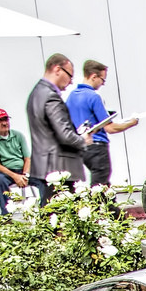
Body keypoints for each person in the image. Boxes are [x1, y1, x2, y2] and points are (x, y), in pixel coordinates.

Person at [25, 53, 89, 205]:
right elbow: (64, 134)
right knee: (60, 213)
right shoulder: (50, 96)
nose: (71, 81)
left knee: (52, 211)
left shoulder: (36, 93)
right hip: (59, 167)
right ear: (57, 69)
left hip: (45, 165)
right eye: (70, 75)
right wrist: (83, 140)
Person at [64, 59, 139, 188]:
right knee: (100, 187)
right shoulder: (94, 97)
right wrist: (132, 122)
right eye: (102, 80)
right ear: (94, 76)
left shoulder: (71, 96)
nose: (103, 84)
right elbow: (110, 128)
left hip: (79, 146)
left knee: (92, 185)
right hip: (97, 147)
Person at [0, 108, 29, 215]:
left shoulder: (18, 135)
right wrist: (15, 176)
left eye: (6, 119)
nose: (4, 123)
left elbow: (27, 158)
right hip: (4, 172)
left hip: (22, 170)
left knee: (43, 179)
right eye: (0, 120)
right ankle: (6, 215)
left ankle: (47, 212)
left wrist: (25, 175)